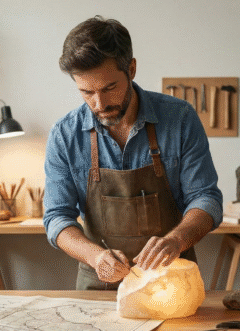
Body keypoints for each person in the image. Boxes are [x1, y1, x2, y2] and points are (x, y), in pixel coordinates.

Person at [43, 16, 223, 290]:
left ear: (132, 68)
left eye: (109, 88)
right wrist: (95, 256)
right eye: (86, 92)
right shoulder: (64, 134)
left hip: (169, 282)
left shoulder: (180, 119)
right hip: (97, 282)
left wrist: (176, 241)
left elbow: (206, 198)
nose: (99, 104)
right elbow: (57, 217)